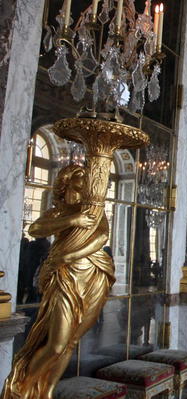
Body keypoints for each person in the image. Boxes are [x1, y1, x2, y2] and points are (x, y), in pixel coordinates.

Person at [2, 165, 115, 399]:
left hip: (95, 275)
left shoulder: (94, 210)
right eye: (81, 176)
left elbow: (103, 236)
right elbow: (35, 228)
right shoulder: (60, 212)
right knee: (56, 343)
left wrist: (69, 256)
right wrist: (73, 220)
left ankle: (48, 391)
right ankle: (22, 390)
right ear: (67, 181)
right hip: (65, 278)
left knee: (71, 342)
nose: (87, 180)